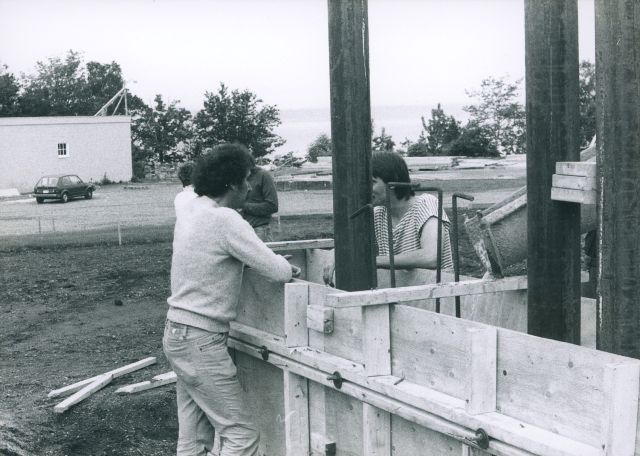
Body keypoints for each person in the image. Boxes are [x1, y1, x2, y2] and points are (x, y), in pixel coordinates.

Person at [163, 143, 300, 456]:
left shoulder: (191, 207)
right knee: (241, 436)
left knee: (194, 437)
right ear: (231, 185)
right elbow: (277, 271)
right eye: (245, 180)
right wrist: (285, 264)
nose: (250, 187)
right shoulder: (225, 220)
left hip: (176, 333)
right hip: (202, 340)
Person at [323, 151, 453, 285]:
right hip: (404, 294)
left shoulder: (426, 204)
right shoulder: (378, 214)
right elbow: (351, 245)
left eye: (372, 182)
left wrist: (373, 261)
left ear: (393, 181)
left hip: (437, 295)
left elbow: (431, 257)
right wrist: (336, 254)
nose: (365, 189)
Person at [241, 156, 279, 241]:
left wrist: (242, 206)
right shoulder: (234, 176)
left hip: (259, 231)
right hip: (239, 231)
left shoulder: (263, 175)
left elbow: (272, 206)